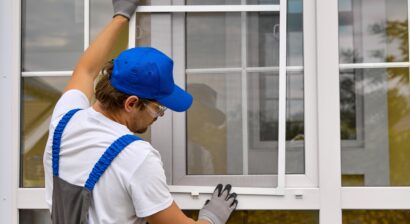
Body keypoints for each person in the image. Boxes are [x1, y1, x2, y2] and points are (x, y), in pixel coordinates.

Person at [42, 0, 238, 223]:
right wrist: (211, 218)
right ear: (131, 103)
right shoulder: (136, 157)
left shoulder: (64, 121)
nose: (159, 116)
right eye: (158, 108)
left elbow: (86, 70)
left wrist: (121, 16)